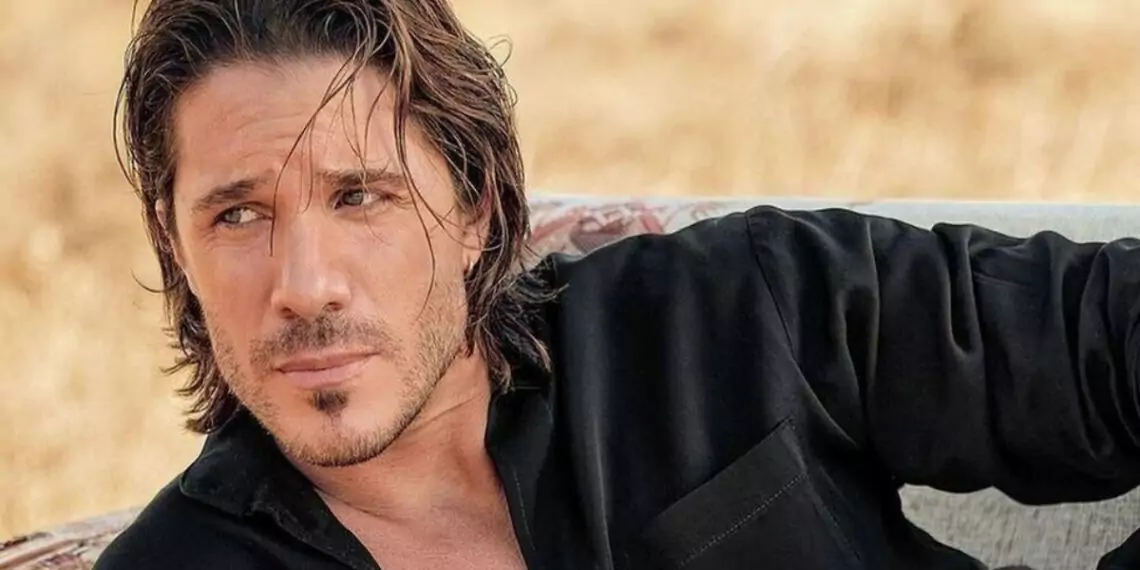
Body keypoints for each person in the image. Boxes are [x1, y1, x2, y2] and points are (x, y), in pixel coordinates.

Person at [93, 1, 1140, 569]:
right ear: (176, 250)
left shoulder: (733, 316)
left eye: (359, 197)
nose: (304, 285)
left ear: (478, 210)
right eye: (237, 216)